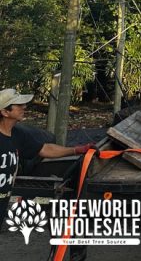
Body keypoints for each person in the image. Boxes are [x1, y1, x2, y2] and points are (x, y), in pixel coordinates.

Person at [0, 88, 94, 227]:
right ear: (5, 112)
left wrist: (78, 150)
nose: (24, 107)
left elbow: (44, 149)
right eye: (18, 105)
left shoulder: (17, 134)